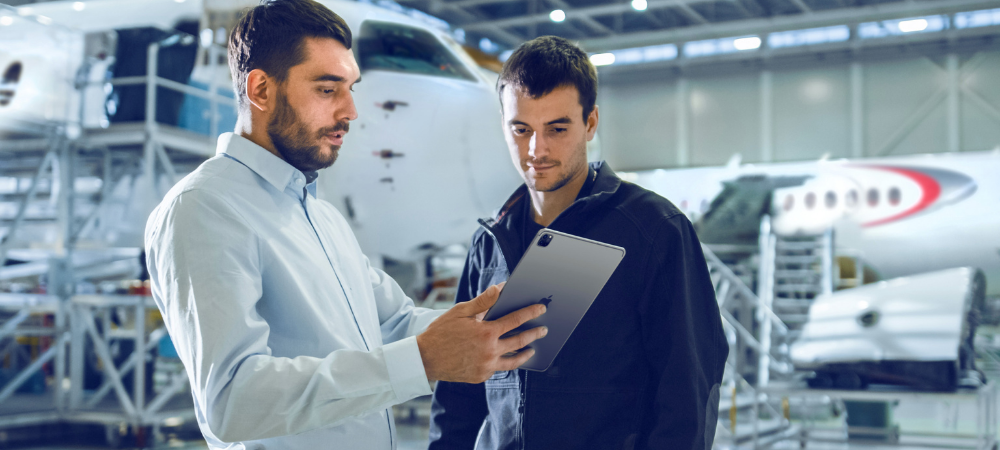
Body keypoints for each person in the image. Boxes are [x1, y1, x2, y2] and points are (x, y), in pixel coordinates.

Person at [143, 1, 548, 448]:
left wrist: (491, 329)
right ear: (260, 89)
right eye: (327, 89)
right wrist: (422, 361)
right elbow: (232, 400)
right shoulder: (206, 207)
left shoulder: (320, 216)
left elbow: (394, 323)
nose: (351, 111)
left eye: (351, 88)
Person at [428, 36, 729, 450]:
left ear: (590, 123)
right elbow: (458, 396)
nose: (537, 149)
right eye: (521, 129)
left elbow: (688, 390)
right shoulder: (490, 242)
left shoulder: (652, 230)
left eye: (557, 129)